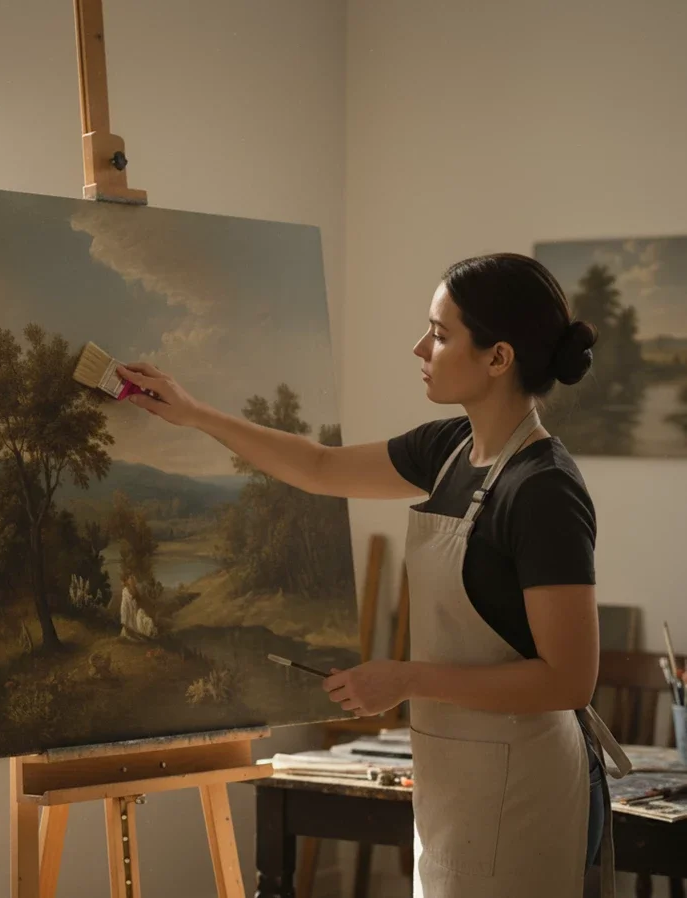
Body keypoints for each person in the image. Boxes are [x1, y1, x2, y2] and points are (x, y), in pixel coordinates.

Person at [115, 252, 631, 898]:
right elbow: (321, 468)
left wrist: (407, 678)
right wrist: (195, 414)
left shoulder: (545, 490)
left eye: (441, 335)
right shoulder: (448, 450)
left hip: (525, 792)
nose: (420, 346)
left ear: (498, 358)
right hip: (455, 789)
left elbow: (569, 679)